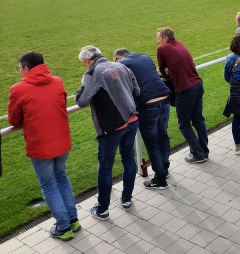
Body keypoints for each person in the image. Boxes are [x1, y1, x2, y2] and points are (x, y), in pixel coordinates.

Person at [8, 51, 79, 240]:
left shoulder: (18, 89)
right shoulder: (57, 81)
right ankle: (73, 219)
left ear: (25, 68)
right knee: (62, 178)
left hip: (41, 147)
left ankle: (63, 227)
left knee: (49, 186)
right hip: (62, 141)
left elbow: (14, 120)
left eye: (19, 68)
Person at [75, 45, 139, 220]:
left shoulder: (92, 73)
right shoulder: (122, 66)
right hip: (132, 120)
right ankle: (127, 199)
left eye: (84, 64)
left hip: (111, 128)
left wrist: (80, 89)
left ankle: (102, 209)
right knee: (129, 159)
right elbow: (137, 90)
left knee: (105, 167)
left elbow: (81, 101)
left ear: (88, 61)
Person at [114, 48, 171, 190]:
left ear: (118, 58)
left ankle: (160, 179)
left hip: (148, 106)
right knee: (163, 136)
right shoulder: (144, 57)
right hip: (164, 101)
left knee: (152, 144)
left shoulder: (122, 64)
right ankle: (164, 169)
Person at [156, 28, 209, 164]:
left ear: (166, 38)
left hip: (185, 89)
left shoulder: (162, 50)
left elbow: (162, 69)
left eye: (159, 39)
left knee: (184, 124)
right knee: (198, 120)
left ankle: (198, 154)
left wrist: (167, 70)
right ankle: (203, 150)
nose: (157, 42)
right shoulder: (181, 44)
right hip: (198, 85)